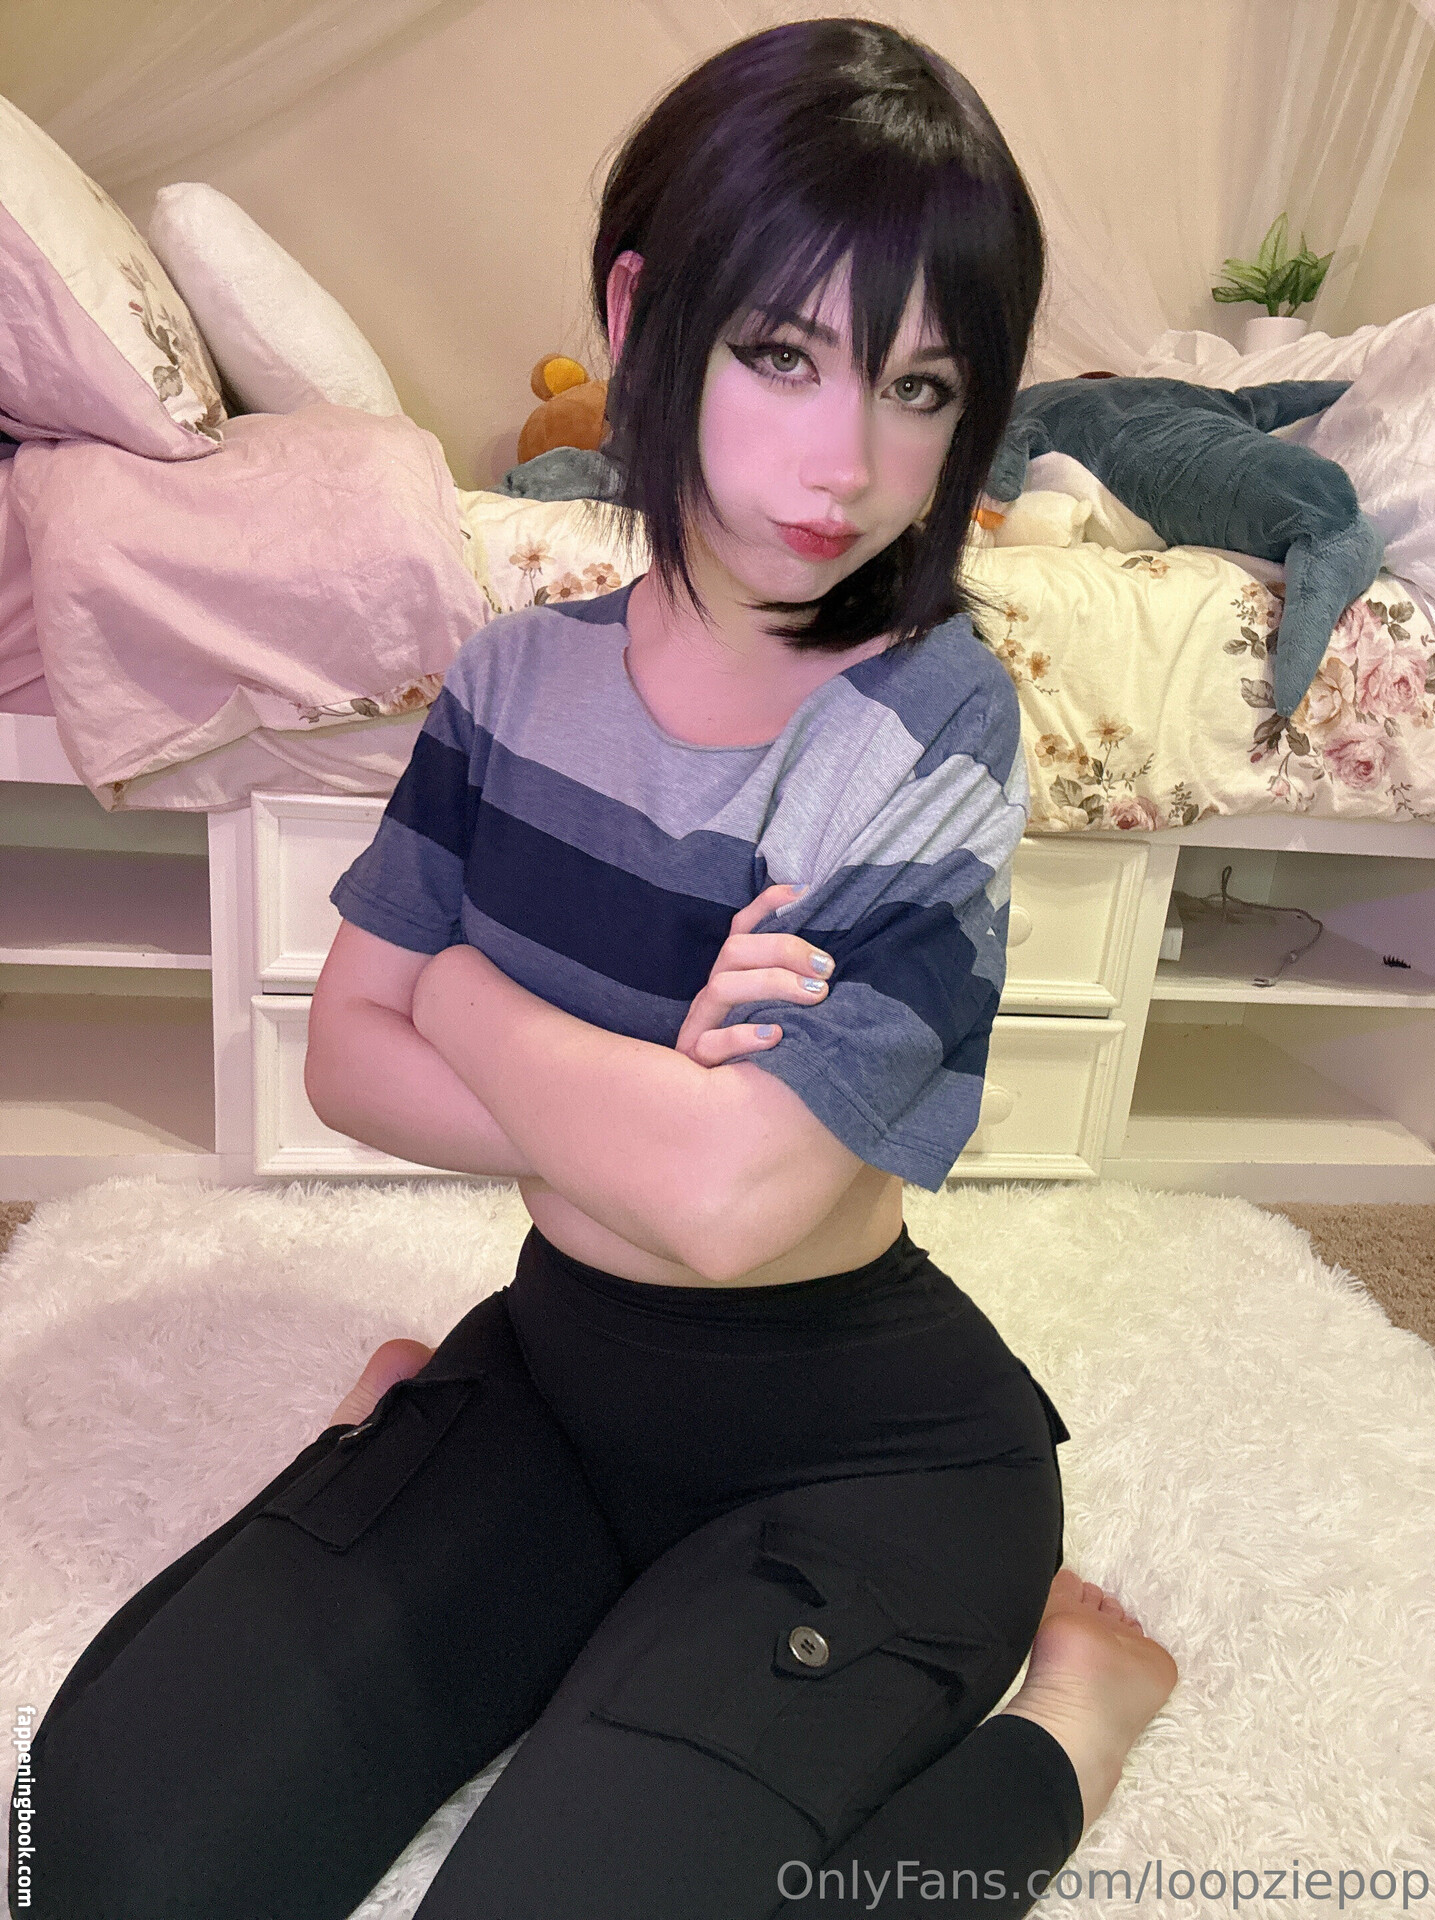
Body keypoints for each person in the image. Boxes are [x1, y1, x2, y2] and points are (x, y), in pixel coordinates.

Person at [8, 20, 1176, 1919]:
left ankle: (1077, 1719)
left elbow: (726, 1204)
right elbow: (343, 1066)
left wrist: (463, 993)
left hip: (866, 1463)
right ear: (642, 319)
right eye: (782, 353)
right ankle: (417, 1455)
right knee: (91, 1846)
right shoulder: (514, 679)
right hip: (553, 1374)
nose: (846, 461)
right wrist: (629, 1091)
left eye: (918, 386)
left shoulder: (931, 719)